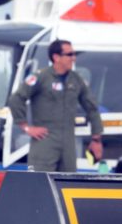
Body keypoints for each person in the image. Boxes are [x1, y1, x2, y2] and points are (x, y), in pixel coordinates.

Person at [7, 40, 103, 172]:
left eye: (74, 54)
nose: (73, 58)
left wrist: (96, 139)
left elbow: (92, 107)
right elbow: (16, 99)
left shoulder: (76, 80)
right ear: (56, 57)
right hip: (45, 141)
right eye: (69, 54)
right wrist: (26, 127)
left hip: (68, 143)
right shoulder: (41, 77)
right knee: (38, 180)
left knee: (68, 183)